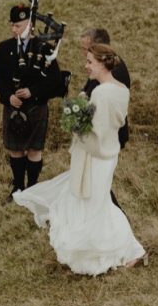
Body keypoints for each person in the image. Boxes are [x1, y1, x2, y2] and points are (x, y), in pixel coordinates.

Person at [13, 43, 146, 276]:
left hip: (96, 155)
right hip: (109, 154)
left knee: (98, 203)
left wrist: (74, 121)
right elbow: (117, 124)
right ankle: (119, 249)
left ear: (103, 64)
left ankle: (131, 249)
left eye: (90, 62)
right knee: (98, 201)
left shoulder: (101, 92)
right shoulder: (122, 89)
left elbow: (93, 130)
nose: (86, 67)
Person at [0, 4, 62, 203]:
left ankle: (32, 188)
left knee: (34, 149)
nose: (14, 30)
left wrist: (33, 91)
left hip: (36, 107)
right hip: (13, 108)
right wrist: (8, 97)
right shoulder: (4, 48)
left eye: (18, 25)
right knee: (15, 149)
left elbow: (54, 79)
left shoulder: (43, 47)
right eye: (12, 25)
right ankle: (18, 186)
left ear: (30, 24)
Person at [79, 28, 130, 213]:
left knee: (100, 184)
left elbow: (101, 117)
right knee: (98, 183)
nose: (84, 55)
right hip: (105, 138)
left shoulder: (113, 74)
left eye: (87, 49)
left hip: (105, 139)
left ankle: (117, 220)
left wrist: (77, 118)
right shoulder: (108, 70)